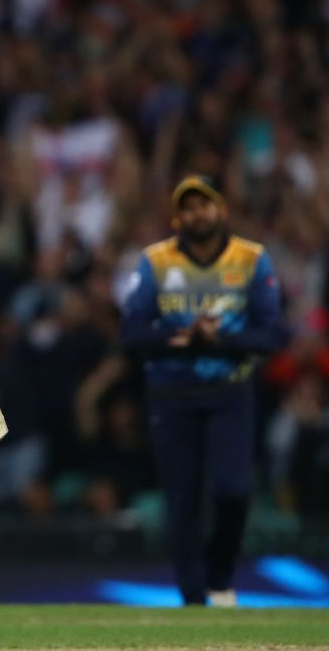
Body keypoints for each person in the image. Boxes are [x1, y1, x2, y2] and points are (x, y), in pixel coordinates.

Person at [121, 176, 287, 606]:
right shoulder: (155, 261)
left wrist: (220, 343)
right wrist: (183, 337)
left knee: (233, 490)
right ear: (178, 217)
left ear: (222, 210)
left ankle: (220, 576)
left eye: (205, 205)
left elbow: (270, 335)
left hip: (229, 390)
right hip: (171, 393)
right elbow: (133, 332)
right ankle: (194, 598)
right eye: (189, 207)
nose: (198, 214)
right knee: (182, 500)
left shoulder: (251, 259)